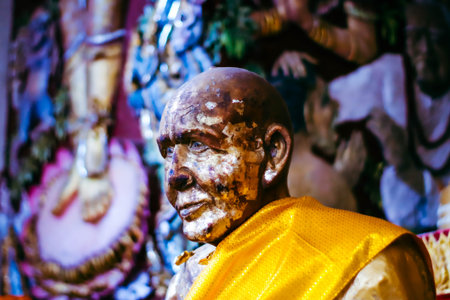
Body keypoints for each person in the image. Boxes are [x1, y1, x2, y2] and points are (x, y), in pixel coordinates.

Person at [157, 67, 435, 299]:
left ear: (273, 152)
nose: (174, 176)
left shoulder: (366, 268)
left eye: (198, 145)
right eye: (168, 153)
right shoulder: (186, 281)